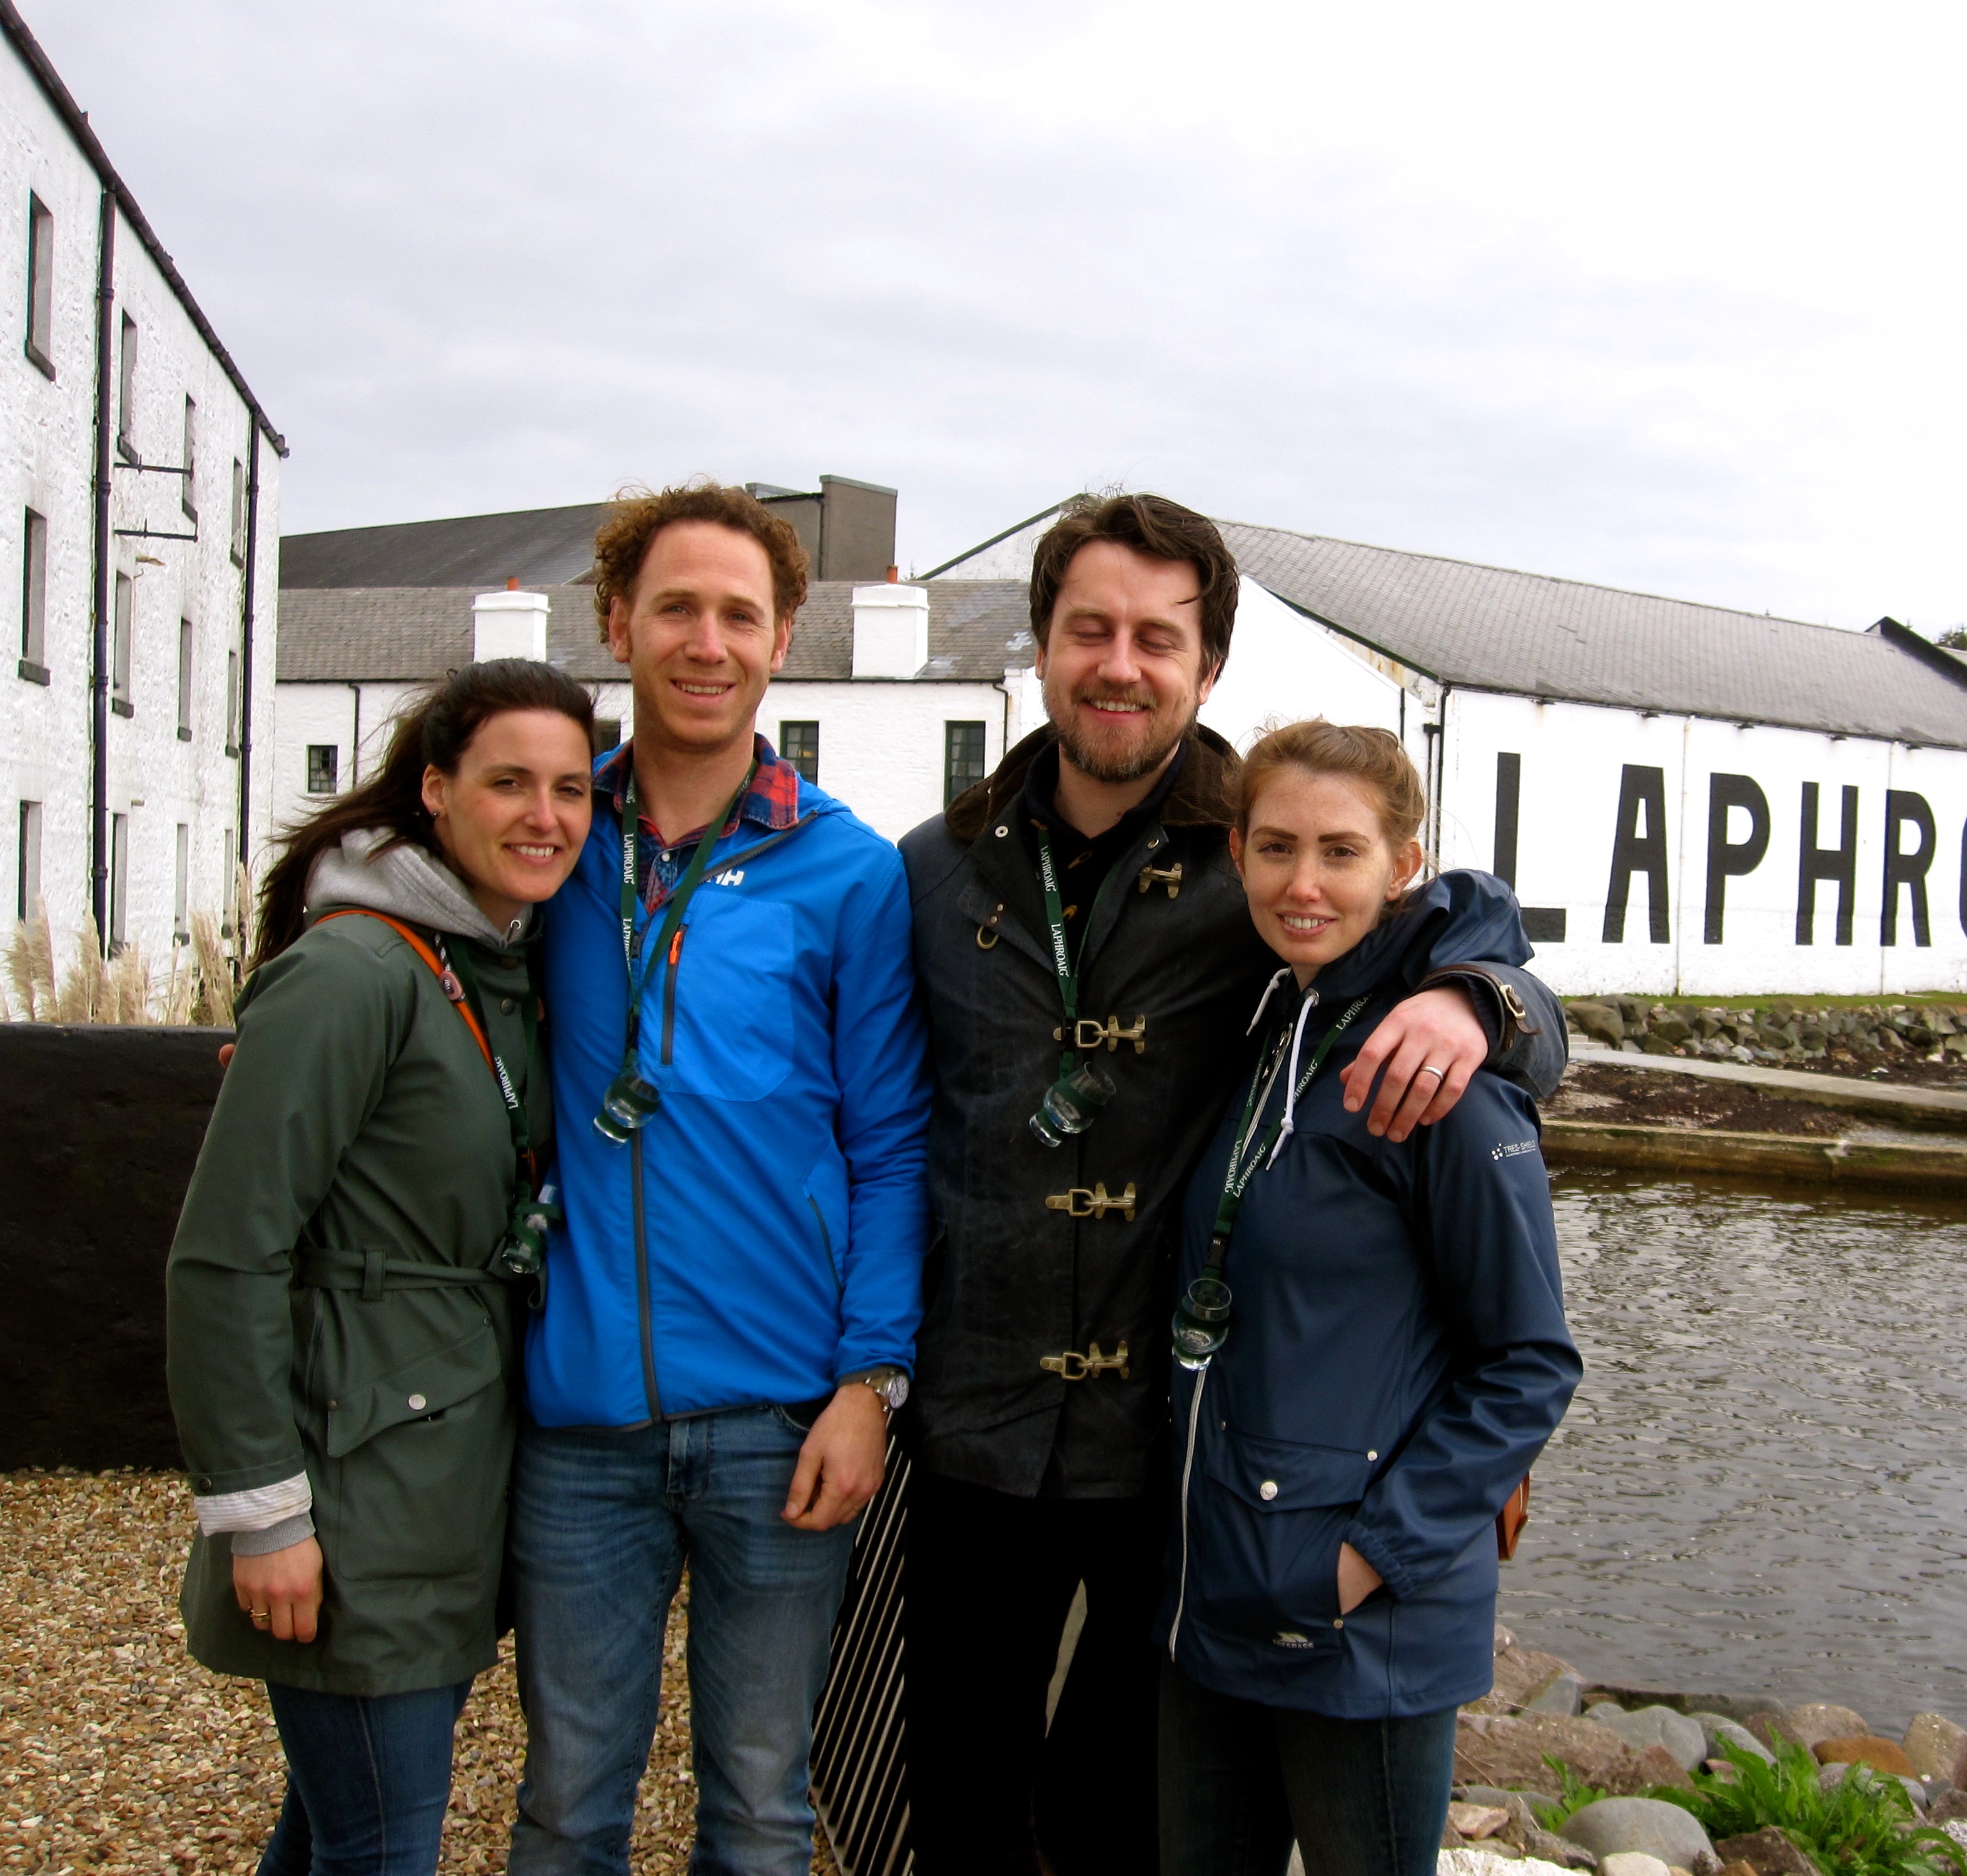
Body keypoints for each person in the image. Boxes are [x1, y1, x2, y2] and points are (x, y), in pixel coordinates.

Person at [898, 494, 1566, 1874]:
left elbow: (1455, 929)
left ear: (1207, 667)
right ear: (1040, 645)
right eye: (1089, 630)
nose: (1119, 665)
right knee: (959, 1813)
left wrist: (1485, 1001)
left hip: (1168, 1462)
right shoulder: (933, 868)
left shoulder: (1255, 854)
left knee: (1119, 1827)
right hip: (972, 1426)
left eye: (1158, 637)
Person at [506, 483, 929, 1876]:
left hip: (780, 1419)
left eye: (739, 615)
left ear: (783, 638)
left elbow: (891, 1146)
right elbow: (388, 888)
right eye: (675, 608)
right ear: (616, 621)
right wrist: (287, 1009)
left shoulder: (848, 872)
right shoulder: (551, 836)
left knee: (758, 1806)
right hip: (582, 1420)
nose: (707, 642)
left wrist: (870, 1386)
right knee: (568, 1802)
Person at [166, 660, 599, 1876]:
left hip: (438, 1489)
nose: (544, 816)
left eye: (570, 789)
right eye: (508, 783)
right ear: (436, 791)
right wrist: (260, 1512)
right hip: (355, 1494)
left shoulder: (492, 962)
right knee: (381, 1846)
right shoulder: (355, 971)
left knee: (335, 1832)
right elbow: (224, 1254)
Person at [1156, 720, 1580, 1876]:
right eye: (1277, 847)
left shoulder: (1439, 1080)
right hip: (1211, 1595)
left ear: (1403, 867)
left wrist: (1365, 1561)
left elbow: (1530, 1364)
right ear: (1237, 853)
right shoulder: (1271, 1025)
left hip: (1355, 1626)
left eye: (1341, 852)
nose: (1304, 884)